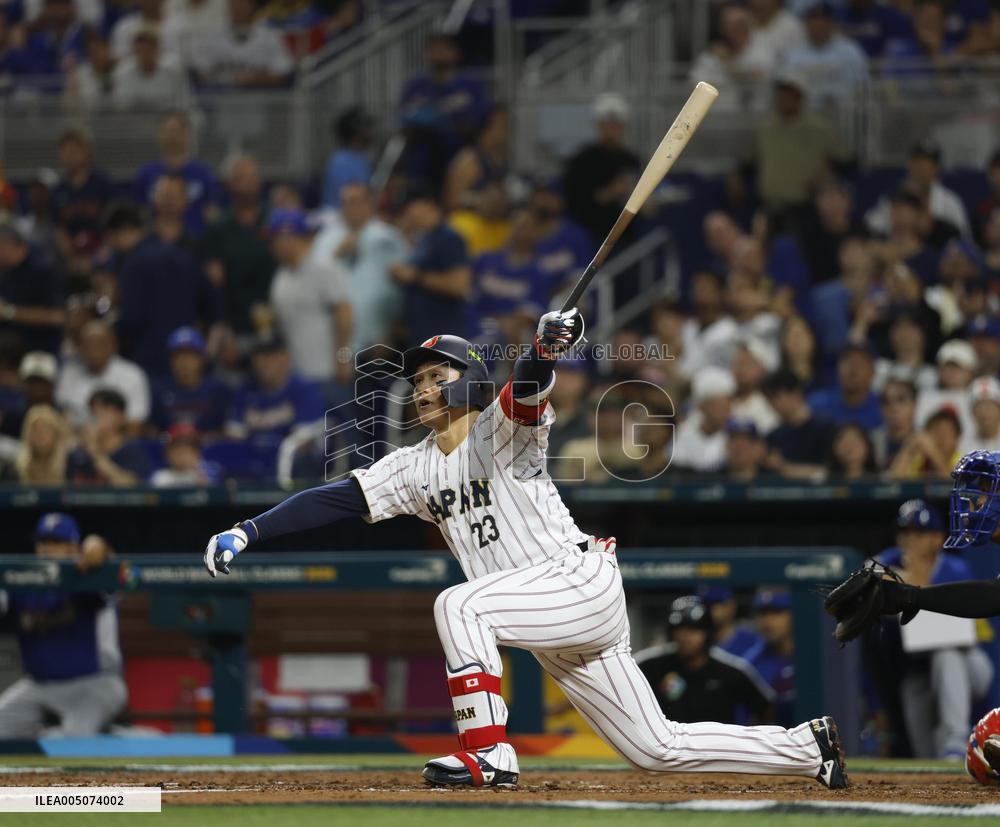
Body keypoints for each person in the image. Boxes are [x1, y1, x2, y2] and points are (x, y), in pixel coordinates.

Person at [203, 311, 849, 790]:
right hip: (548, 623)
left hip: (577, 581)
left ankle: (488, 751)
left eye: (436, 376)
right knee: (657, 747)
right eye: (418, 380)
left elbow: (528, 389)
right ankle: (806, 747)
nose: (424, 389)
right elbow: (338, 498)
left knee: (459, 606)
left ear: (468, 380)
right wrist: (249, 531)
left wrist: (541, 348)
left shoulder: (498, 429)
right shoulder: (412, 466)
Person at [871, 499, 993, 759]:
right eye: (905, 533)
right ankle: (948, 757)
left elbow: (957, 633)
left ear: (938, 538)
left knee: (946, 654)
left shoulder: (955, 568)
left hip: (970, 663)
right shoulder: (891, 559)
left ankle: (955, 743)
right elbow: (868, 574)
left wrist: (908, 586)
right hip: (918, 673)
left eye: (919, 533)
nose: (910, 540)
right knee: (925, 756)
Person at [0, 513, 126, 737]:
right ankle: (52, 736)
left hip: (93, 684)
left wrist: (99, 547)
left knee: (73, 740)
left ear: (72, 547)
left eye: (57, 543)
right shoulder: (23, 581)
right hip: (37, 686)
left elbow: (105, 565)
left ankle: (116, 738)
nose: (48, 549)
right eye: (44, 542)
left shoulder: (84, 576)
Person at [104, 201, 221, 379]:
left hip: (149, 359)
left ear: (125, 231)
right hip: (187, 356)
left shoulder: (133, 264)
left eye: (113, 238)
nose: (113, 246)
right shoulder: (183, 255)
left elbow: (131, 317)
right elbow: (214, 309)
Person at [635, 596, 775, 725]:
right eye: (680, 629)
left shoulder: (729, 669)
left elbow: (765, 706)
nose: (685, 636)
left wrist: (746, 741)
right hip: (668, 749)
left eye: (693, 630)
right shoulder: (650, 665)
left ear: (707, 633)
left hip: (716, 749)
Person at [311, 182, 406, 355]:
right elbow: (313, 281)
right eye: (344, 202)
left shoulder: (388, 237)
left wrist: (391, 330)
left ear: (370, 204)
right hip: (334, 342)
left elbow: (401, 289)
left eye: (354, 201)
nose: (349, 207)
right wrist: (336, 254)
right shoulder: (326, 238)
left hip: (378, 340)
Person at [268, 208, 353, 387]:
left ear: (288, 239)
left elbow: (344, 313)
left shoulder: (323, 267)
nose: (272, 246)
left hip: (327, 373)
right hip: (295, 375)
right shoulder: (281, 276)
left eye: (275, 239)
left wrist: (343, 359)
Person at [196, 153, 274, 339]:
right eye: (241, 178)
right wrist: (223, 328)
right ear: (229, 184)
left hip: (276, 327)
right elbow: (214, 286)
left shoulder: (274, 222)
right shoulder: (217, 229)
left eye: (252, 177)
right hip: (235, 331)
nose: (248, 183)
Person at [754, 71, 850, 220]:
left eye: (789, 94)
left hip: (805, 205)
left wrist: (827, 175)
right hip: (769, 203)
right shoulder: (767, 129)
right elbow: (749, 160)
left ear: (800, 96)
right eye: (781, 94)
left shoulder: (818, 128)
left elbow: (845, 160)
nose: (784, 99)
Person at [226, 333, 325, 476]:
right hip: (254, 461)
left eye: (271, 356)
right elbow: (233, 437)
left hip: (291, 464)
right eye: (259, 356)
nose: (265, 362)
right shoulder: (245, 391)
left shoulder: (304, 390)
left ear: (286, 358)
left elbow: (304, 445)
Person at [391, 189, 471, 343]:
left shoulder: (448, 237)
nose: (407, 214)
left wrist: (415, 276)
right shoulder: (427, 238)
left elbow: (459, 285)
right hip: (423, 334)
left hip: (444, 335)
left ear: (427, 205)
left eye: (409, 208)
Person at [563, 93, 641, 243]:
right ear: (598, 125)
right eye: (606, 124)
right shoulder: (581, 161)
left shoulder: (631, 160)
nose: (611, 129)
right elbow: (576, 203)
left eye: (616, 124)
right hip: (590, 236)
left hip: (625, 237)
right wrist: (612, 192)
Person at [133, 112, 219, 234]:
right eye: (168, 131)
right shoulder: (146, 174)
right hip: (156, 241)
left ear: (187, 134)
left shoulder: (203, 173)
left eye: (177, 131)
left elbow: (212, 212)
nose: (173, 136)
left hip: (195, 242)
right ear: (159, 134)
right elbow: (140, 212)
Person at [866, 141, 971, 240]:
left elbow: (963, 241)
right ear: (910, 166)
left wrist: (931, 224)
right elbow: (871, 225)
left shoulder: (950, 201)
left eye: (926, 164)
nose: (920, 168)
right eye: (917, 163)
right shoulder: (895, 195)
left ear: (937, 169)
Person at [55, 319, 151, 427]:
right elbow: (63, 417)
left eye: (100, 343)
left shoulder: (133, 375)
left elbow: (136, 423)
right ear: (80, 348)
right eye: (88, 344)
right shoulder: (69, 374)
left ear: (114, 345)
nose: (94, 349)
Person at [188, 0, 294, 88]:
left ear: (252, 6)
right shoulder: (214, 36)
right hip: (222, 101)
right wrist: (228, 80)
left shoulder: (269, 35)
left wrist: (253, 80)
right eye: (234, 4)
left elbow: (281, 73)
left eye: (242, 4)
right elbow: (201, 74)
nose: (238, 8)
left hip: (261, 100)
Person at [783, 2, 868, 109]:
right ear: (806, 24)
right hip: (806, 114)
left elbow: (863, 86)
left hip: (845, 113)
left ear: (831, 23)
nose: (818, 25)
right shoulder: (793, 54)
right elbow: (787, 90)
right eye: (814, 21)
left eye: (823, 21)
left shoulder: (850, 51)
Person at [0, 223, 65, 356]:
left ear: (8, 244)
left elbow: (58, 317)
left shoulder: (43, 268)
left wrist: (9, 312)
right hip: (10, 350)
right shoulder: (6, 270)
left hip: (41, 351)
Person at [151, 326, 229, 435]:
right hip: (170, 448)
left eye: (189, 355)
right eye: (178, 355)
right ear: (170, 361)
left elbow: (225, 431)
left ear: (201, 359)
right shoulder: (159, 390)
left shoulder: (217, 390)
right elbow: (153, 431)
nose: (183, 361)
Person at [67, 388, 152, 485]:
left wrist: (95, 452)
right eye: (93, 410)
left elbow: (129, 485)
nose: (97, 415)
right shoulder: (80, 452)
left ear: (121, 417)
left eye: (105, 409)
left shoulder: (133, 449)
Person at [51, 127, 115, 255]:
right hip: (71, 257)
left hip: (103, 251)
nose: (70, 155)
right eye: (65, 151)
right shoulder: (58, 190)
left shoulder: (103, 183)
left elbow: (115, 221)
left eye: (74, 150)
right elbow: (57, 228)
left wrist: (104, 251)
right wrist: (70, 255)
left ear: (86, 152)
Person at [763, 369, 834, 479]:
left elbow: (828, 472)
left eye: (777, 397)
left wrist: (784, 468)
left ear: (796, 394)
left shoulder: (826, 429)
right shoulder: (773, 437)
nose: (773, 404)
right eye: (770, 399)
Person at [745, 588, 796, 728]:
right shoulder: (750, 664)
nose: (768, 622)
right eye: (763, 614)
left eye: (776, 613)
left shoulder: (815, 654)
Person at [111, 23, 190, 111]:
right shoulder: (122, 75)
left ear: (158, 48)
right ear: (134, 49)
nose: (145, 48)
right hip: (134, 122)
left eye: (150, 44)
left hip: (166, 121)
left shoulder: (173, 73)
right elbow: (120, 110)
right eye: (141, 44)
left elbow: (184, 106)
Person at [671, 367, 736, 473]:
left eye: (727, 406)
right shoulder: (684, 432)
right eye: (718, 406)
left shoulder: (737, 433)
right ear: (701, 406)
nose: (725, 412)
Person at [808, 343, 882, 429]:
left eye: (860, 362)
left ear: (873, 372)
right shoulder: (817, 405)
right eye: (847, 361)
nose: (853, 369)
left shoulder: (883, 409)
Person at [320, 107, 373, 210]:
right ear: (355, 135)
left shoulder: (361, 157)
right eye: (365, 130)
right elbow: (352, 199)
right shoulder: (341, 162)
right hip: (338, 217)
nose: (369, 133)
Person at [698, 585, 764, 661]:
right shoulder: (700, 641)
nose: (710, 609)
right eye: (706, 604)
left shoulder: (752, 642)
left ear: (732, 606)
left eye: (715, 604)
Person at [15, 404, 73, 485]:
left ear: (56, 433)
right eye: (35, 431)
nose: (40, 436)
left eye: (45, 430)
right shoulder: (18, 466)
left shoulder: (71, 461)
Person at [150, 422, 219, 486]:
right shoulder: (160, 477)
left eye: (188, 451)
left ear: (198, 453)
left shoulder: (209, 471)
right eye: (178, 451)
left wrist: (196, 471)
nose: (183, 456)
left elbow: (210, 493)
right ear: (167, 454)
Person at [964, 377, 1000, 454]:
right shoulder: (962, 443)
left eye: (989, 406)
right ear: (972, 412)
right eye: (979, 406)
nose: (984, 412)